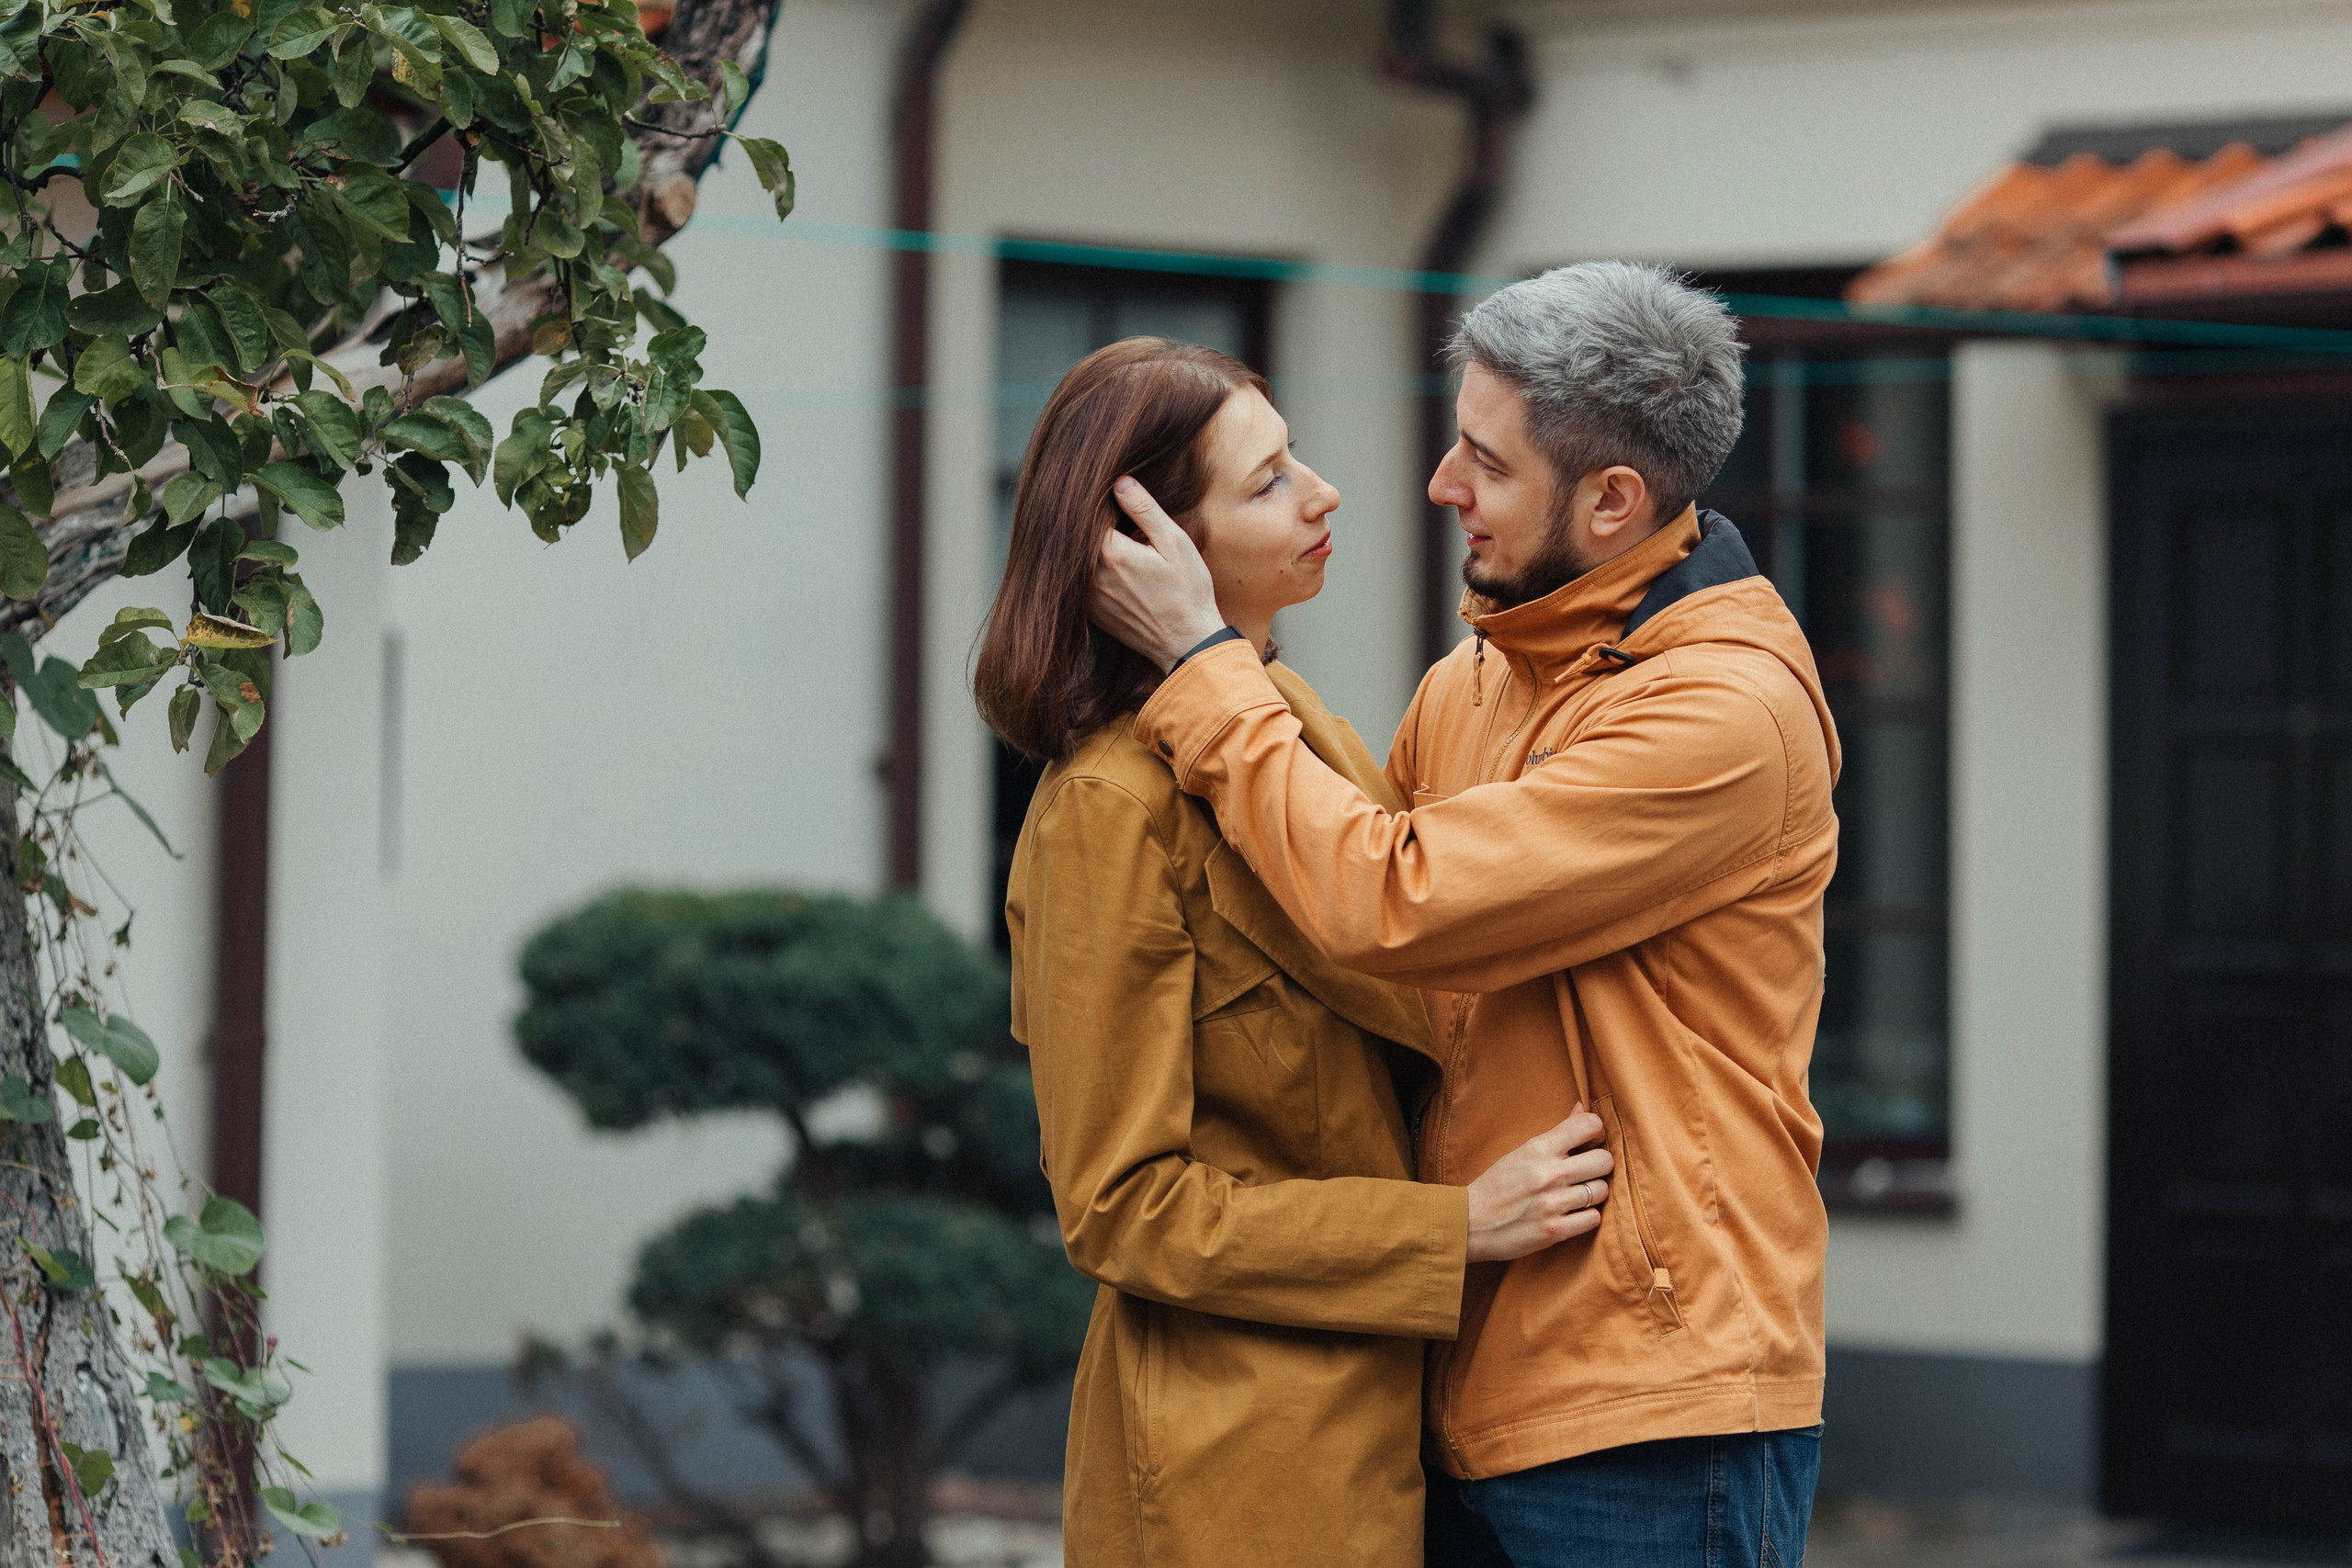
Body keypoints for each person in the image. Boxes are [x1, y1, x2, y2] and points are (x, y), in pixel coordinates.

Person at [1090, 264, 1838, 1568]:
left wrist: (1207, 667)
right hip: (1458, 1365)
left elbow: (1386, 902)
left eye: (1486, 463)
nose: (1441, 485)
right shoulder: (1480, 674)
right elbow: (1362, 963)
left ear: (1611, 501)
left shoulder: (1725, 713)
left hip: (1651, 1404)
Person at [975, 337, 1617, 1568]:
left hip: (1387, 1428)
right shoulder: (1111, 809)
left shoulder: (1295, 735)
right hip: (1231, 1465)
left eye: (1297, 461)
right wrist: (1453, 1228)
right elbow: (1123, 1209)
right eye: (1268, 482)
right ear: (1150, 546)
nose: (1324, 493)